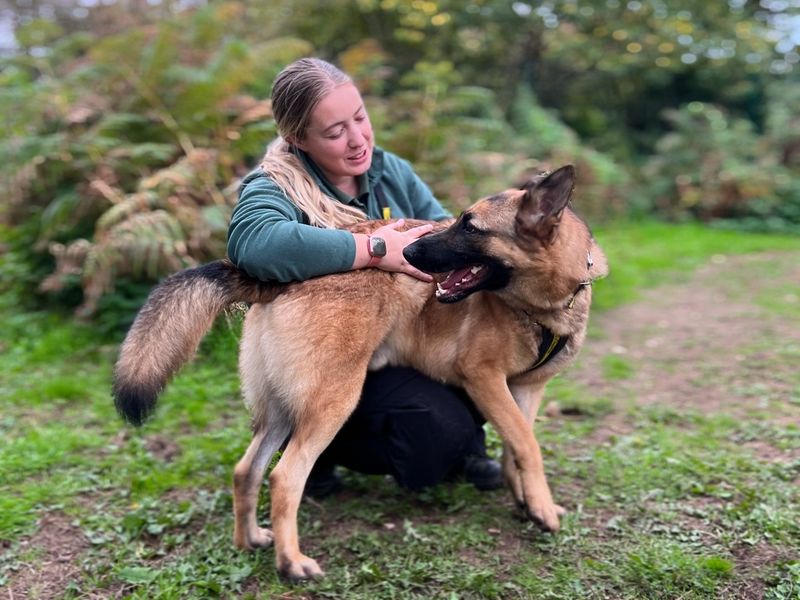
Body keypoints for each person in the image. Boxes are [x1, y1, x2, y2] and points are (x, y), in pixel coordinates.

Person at [226, 57, 502, 497]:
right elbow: (255, 244)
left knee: (480, 374)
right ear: (298, 139)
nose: (357, 140)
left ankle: (463, 445)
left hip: (399, 340)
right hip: (324, 349)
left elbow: (441, 232)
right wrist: (373, 249)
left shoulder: (390, 170)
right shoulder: (275, 184)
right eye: (335, 132)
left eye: (360, 118)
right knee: (433, 431)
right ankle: (315, 452)